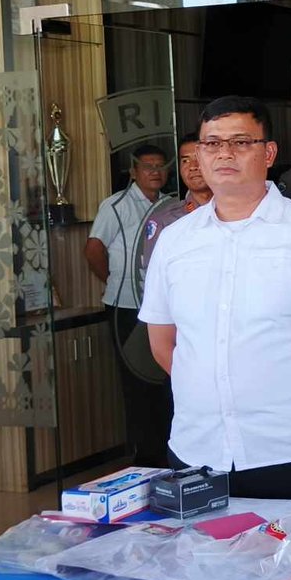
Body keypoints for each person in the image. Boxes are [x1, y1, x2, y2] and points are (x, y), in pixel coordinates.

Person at [140, 96, 291, 501]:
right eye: (212, 143)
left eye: (241, 142)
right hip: (196, 446)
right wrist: (208, 393)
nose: (224, 153)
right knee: (202, 544)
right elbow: (162, 341)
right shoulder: (174, 241)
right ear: (199, 154)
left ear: (269, 153)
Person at [85, 143, 170, 465]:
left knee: (163, 378)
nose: (155, 172)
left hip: (161, 306)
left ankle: (165, 451)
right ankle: (146, 457)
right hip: (126, 305)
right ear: (133, 172)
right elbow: (93, 249)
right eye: (148, 166)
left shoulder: (169, 204)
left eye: (160, 166)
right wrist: (113, 282)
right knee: (137, 381)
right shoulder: (116, 205)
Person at [137, 133, 213, 288]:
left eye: (199, 158)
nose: (193, 166)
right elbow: (154, 282)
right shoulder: (164, 221)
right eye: (185, 160)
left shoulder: (238, 213)